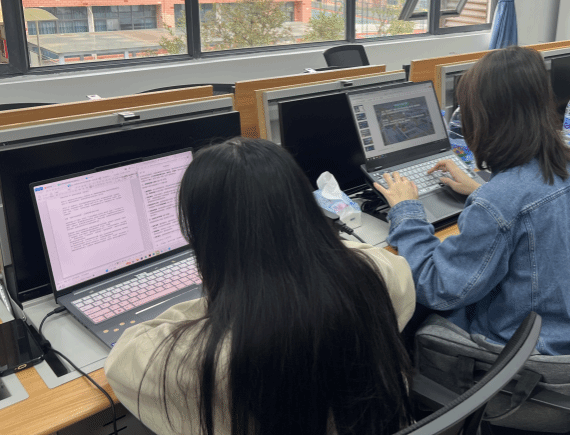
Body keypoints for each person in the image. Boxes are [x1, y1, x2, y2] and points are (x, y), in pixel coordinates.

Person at [105, 138, 416, 435]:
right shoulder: (381, 274)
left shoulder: (197, 354)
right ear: (304, 208)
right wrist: (307, 250)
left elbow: (121, 360)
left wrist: (227, 289)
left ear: (205, 239)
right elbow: (358, 254)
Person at [376, 46, 570, 356]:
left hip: (523, 354)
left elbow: (438, 286)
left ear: (483, 121)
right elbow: (526, 210)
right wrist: (479, 189)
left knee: (403, 313)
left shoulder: (499, 201)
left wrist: (406, 211)